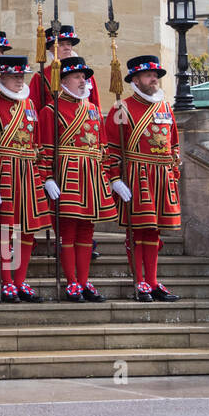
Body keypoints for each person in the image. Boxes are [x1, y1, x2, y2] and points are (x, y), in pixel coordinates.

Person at [38, 56, 118, 303]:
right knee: (68, 231)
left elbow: (103, 146)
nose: (83, 82)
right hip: (67, 174)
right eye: (77, 77)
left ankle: (83, 282)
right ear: (63, 81)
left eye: (84, 78)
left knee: (87, 230)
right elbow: (44, 148)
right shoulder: (50, 111)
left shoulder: (93, 109)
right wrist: (47, 177)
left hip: (92, 175)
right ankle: (71, 281)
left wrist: (110, 176)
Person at [104, 56, 182, 302]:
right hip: (137, 176)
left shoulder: (165, 107)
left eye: (156, 75)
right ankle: (140, 282)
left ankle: (153, 281)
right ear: (135, 80)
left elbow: (174, 143)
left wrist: (174, 171)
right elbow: (111, 149)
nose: (154, 79)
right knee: (138, 231)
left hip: (162, 176)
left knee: (154, 232)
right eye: (149, 75)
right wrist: (116, 178)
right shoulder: (121, 108)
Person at [0, 55, 53, 303]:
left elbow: (39, 143)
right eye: (14, 77)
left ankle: (20, 280)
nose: (19, 81)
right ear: (2, 77)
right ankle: (7, 280)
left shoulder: (31, 105)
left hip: (28, 171)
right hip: (5, 171)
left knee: (28, 230)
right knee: (5, 230)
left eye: (22, 77)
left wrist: (44, 176)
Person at [30, 26, 100, 111]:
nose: (67, 47)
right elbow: (34, 109)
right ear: (51, 48)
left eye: (69, 44)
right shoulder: (41, 77)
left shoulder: (84, 73)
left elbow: (95, 104)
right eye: (61, 44)